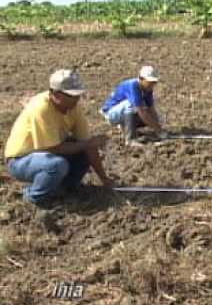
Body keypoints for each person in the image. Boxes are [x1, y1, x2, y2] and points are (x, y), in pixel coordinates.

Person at [4, 69, 114, 207]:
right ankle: (32, 196)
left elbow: (87, 144)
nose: (77, 99)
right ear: (55, 94)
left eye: (78, 95)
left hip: (46, 154)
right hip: (20, 159)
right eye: (72, 95)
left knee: (84, 151)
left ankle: (62, 189)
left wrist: (104, 179)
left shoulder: (73, 107)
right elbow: (53, 148)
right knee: (56, 165)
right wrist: (88, 144)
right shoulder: (41, 109)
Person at [100, 65, 167, 147]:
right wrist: (157, 129)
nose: (152, 85)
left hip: (123, 113)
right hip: (111, 113)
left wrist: (158, 126)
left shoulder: (148, 89)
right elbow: (141, 111)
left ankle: (127, 128)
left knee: (159, 117)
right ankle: (130, 139)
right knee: (130, 104)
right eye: (150, 82)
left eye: (153, 83)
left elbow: (151, 109)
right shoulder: (133, 85)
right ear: (141, 78)